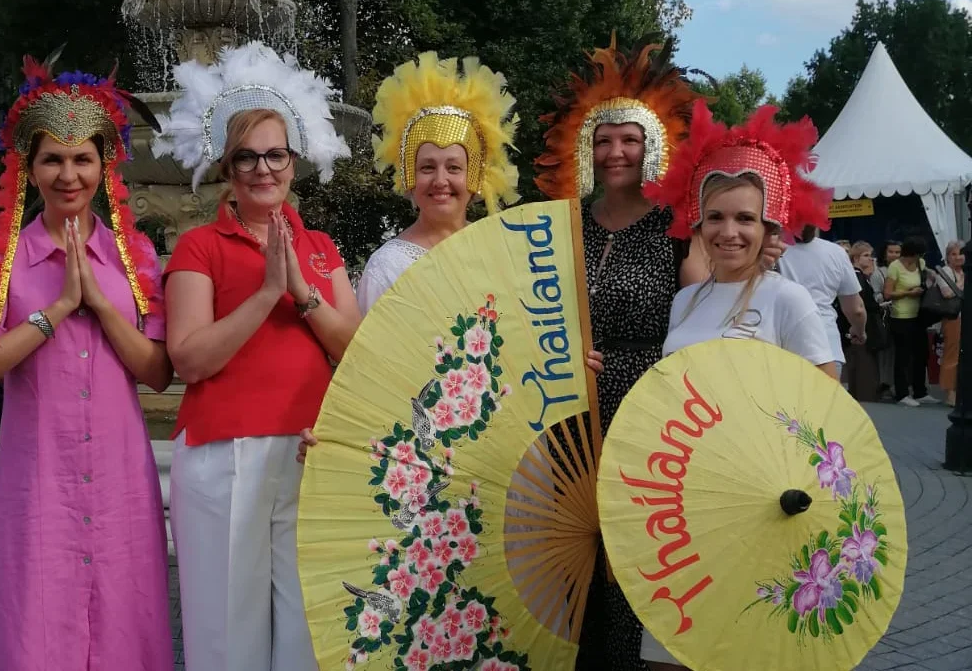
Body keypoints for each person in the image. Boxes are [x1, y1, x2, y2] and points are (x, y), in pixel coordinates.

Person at [0, 56, 174, 670]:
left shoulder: (136, 258)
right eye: (52, 158)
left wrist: (99, 305)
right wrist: (55, 311)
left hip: (119, 484)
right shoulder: (2, 257)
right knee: (36, 631)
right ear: (29, 167)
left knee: (127, 628)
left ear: (106, 166)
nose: (68, 174)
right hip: (39, 484)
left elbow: (158, 372)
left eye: (82, 159)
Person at [155, 43, 360, 671]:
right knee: (226, 630)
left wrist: (299, 291)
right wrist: (267, 291)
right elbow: (187, 359)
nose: (262, 168)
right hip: (226, 452)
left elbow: (353, 348)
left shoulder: (321, 247)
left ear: (294, 162)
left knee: (307, 625)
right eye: (246, 156)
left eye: (275, 154)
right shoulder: (198, 246)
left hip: (311, 447)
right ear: (227, 164)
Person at [531, 36, 712, 671]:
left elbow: (706, 318)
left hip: (644, 412)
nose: (615, 152)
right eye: (604, 140)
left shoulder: (676, 229)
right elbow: (535, 310)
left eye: (628, 140)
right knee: (570, 550)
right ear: (587, 147)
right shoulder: (563, 223)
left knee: (630, 557)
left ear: (651, 146)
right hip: (569, 410)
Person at [637, 100, 836, 670]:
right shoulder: (685, 301)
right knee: (672, 649)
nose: (729, 232)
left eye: (746, 219)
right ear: (695, 223)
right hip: (682, 506)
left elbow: (827, 412)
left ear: (770, 225)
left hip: (756, 508)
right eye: (717, 217)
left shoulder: (788, 300)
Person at [355, 52, 519, 314]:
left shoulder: (501, 254)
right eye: (427, 167)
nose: (440, 180)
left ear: (475, 176)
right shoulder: (387, 268)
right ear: (410, 178)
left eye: (454, 167)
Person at [778, 225, 867, 379]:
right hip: (826, 346)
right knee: (825, 402)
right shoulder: (836, 253)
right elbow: (856, 309)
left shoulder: (769, 250)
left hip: (779, 347)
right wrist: (859, 331)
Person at [882, 237, 940, 407]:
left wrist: (930, 278)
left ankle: (920, 391)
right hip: (901, 316)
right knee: (903, 356)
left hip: (919, 314)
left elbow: (928, 274)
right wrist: (908, 293)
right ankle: (902, 393)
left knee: (921, 354)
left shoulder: (921, 263)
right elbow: (887, 294)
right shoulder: (895, 267)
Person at [846, 241, 887, 401]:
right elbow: (863, 303)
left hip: (860, 325)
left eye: (871, 255)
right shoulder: (857, 277)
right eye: (866, 255)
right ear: (856, 258)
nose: (871, 259)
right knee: (863, 366)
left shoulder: (861, 276)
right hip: (862, 326)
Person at [871, 240, 901, 398]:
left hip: (905, 315)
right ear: (884, 253)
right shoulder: (879, 272)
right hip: (887, 316)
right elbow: (876, 295)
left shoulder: (906, 270)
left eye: (898, 252)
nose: (895, 255)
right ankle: (885, 384)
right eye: (891, 252)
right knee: (887, 352)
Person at [938, 239, 965, 405]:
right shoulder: (945, 271)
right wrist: (962, 281)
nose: (958, 257)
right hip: (954, 318)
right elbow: (948, 293)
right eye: (953, 254)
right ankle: (950, 392)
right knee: (952, 355)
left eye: (961, 254)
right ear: (947, 257)